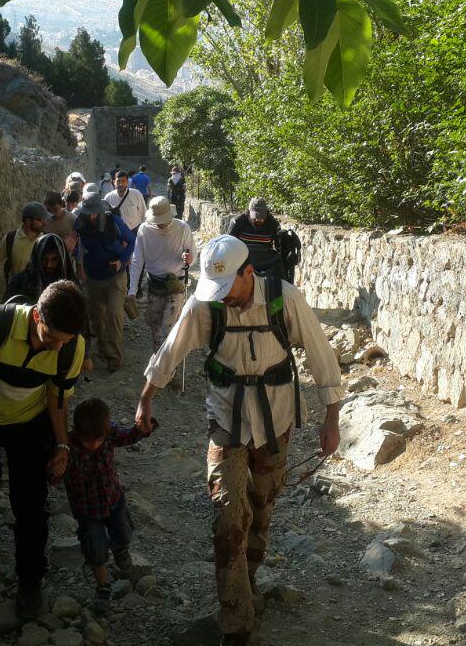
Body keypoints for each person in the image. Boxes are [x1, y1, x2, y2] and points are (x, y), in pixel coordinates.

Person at [135, 236, 342, 646]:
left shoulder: (285, 299)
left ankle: (247, 580)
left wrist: (331, 419)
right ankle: (236, 622)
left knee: (261, 509)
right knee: (228, 515)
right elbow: (171, 350)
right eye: (218, 289)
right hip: (226, 417)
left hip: (275, 418)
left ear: (249, 272)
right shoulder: (206, 304)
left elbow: (321, 356)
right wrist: (146, 399)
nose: (224, 296)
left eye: (229, 287)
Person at [0, 281, 88, 619]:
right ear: (37, 316)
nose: (56, 347)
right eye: (51, 338)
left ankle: (30, 580)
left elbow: (57, 397)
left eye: (64, 341)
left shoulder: (71, 348)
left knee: (32, 508)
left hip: (29, 426)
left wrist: (62, 445)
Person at [62, 397, 156, 610]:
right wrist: (55, 470)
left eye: (99, 440)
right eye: (88, 441)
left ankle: (120, 551)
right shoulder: (69, 448)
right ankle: (103, 587)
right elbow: (56, 475)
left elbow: (127, 436)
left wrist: (142, 429)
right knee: (95, 549)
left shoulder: (110, 433)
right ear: (77, 432)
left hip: (114, 499)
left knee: (124, 534)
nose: (94, 445)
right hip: (87, 510)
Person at [74, 190, 136, 372]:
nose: (91, 216)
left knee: (114, 315)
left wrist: (122, 260)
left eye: (94, 213)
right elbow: (79, 248)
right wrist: (80, 269)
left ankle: (114, 358)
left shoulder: (114, 222)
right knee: (97, 318)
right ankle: (102, 350)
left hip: (115, 277)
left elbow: (132, 240)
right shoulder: (80, 224)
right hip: (93, 278)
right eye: (88, 213)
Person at [128, 196, 195, 351]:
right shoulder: (144, 230)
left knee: (170, 328)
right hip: (154, 285)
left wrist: (189, 259)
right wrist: (132, 290)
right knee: (155, 326)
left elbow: (192, 255)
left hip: (175, 284)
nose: (161, 223)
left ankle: (168, 361)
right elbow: (137, 260)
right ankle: (158, 357)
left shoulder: (182, 228)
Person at [0, 202, 50, 287]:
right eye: (41, 220)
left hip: (40, 289)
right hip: (16, 289)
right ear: (28, 221)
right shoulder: (10, 238)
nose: (44, 223)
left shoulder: (47, 240)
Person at [6, 232, 76, 300]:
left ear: (60, 260)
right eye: (44, 259)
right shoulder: (20, 282)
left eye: (54, 260)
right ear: (37, 258)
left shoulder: (70, 285)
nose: (49, 265)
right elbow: (7, 306)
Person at [229, 197, 282, 278]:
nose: (258, 220)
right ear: (249, 213)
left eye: (261, 217)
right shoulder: (238, 222)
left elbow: (279, 248)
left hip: (264, 264)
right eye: (255, 216)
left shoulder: (272, 224)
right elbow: (228, 245)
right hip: (242, 262)